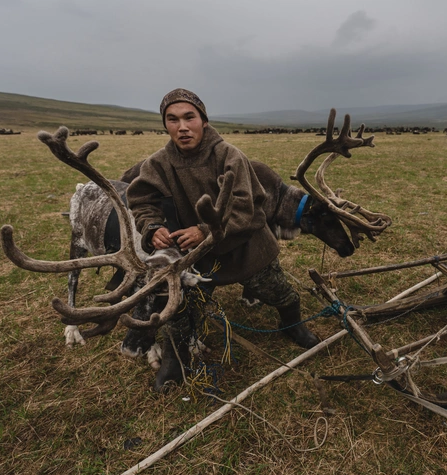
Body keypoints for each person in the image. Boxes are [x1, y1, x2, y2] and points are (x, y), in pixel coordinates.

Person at [126, 88, 320, 392]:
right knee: (179, 309)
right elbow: (140, 200)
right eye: (173, 119)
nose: (183, 127)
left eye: (190, 117)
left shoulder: (230, 156)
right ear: (166, 125)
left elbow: (249, 209)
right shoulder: (158, 164)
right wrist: (151, 227)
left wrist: (204, 230)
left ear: (204, 120)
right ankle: (175, 359)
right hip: (195, 258)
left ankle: (292, 325)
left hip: (246, 249)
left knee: (281, 294)